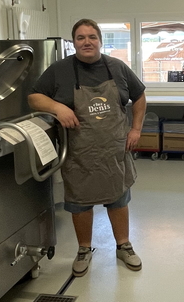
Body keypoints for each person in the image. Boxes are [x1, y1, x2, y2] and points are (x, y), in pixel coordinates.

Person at [28, 19, 147, 276]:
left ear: (100, 41)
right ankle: (84, 249)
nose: (87, 42)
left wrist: (136, 129)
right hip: (78, 152)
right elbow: (34, 97)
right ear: (74, 43)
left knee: (118, 198)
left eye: (92, 37)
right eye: (80, 37)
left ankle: (123, 245)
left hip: (113, 149)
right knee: (80, 202)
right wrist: (57, 107)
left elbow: (139, 96)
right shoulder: (59, 70)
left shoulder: (117, 67)